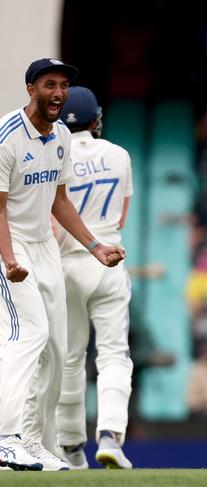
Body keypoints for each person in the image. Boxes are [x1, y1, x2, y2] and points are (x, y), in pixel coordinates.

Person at [0, 59, 124, 471]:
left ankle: (34, 442)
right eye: (49, 85)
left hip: (45, 249)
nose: (57, 93)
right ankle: (5, 437)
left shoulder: (60, 138)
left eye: (63, 86)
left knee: (57, 349)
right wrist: (10, 259)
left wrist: (94, 246)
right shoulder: (7, 135)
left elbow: (60, 201)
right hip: (12, 248)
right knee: (28, 335)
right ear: (30, 89)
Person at [53, 86, 134, 469]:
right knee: (114, 354)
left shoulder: (54, 153)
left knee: (70, 359)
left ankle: (70, 446)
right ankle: (110, 436)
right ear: (95, 119)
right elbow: (121, 218)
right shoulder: (118, 154)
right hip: (109, 261)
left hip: (67, 264)